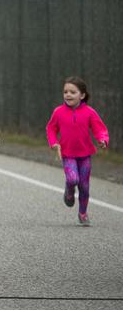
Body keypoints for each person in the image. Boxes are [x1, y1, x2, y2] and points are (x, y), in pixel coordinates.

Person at [46, 76, 109, 227]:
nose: (68, 95)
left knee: (84, 186)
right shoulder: (58, 112)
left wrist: (102, 140)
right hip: (67, 154)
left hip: (85, 155)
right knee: (73, 179)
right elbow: (51, 129)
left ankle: (82, 213)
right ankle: (69, 192)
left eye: (72, 92)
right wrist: (54, 143)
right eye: (65, 91)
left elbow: (99, 129)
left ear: (82, 95)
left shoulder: (89, 112)